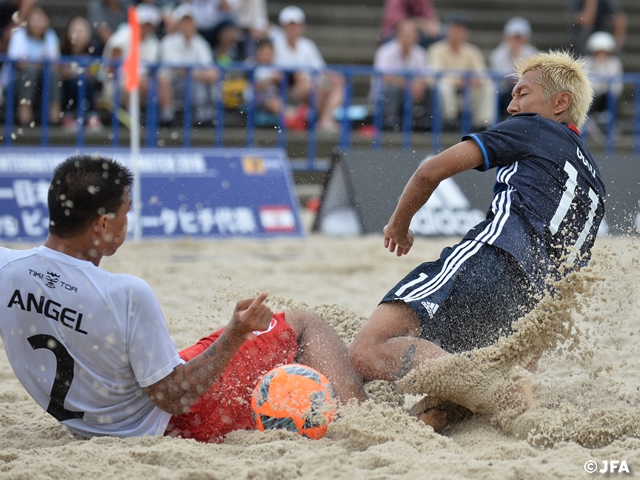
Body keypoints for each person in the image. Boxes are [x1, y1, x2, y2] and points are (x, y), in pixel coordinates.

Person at [0, 155, 366, 443]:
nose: (128, 223)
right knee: (304, 325)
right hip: (176, 422)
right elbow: (175, 397)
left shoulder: (7, 269)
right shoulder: (125, 293)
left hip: (89, 423)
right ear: (102, 224)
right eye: (126, 214)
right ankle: (365, 422)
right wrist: (235, 333)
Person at [348, 51, 605, 430]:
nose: (511, 104)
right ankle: (496, 394)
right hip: (535, 304)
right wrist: (528, 358)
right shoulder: (596, 183)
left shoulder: (534, 127)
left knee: (365, 349)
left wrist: (398, 226)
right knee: (441, 399)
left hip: (490, 263)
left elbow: (429, 172)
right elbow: (571, 275)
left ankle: (492, 389)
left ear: (560, 103)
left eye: (521, 93)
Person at [273, 5, 344, 134]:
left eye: (296, 25)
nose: (293, 28)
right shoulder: (275, 46)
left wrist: (333, 78)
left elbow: (321, 69)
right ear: (283, 26)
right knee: (311, 86)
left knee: (338, 84)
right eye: (290, 25)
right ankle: (325, 121)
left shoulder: (307, 45)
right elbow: (276, 74)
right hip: (288, 89)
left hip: (310, 86)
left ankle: (325, 120)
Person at [427, 13, 496, 131]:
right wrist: (458, 80)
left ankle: (482, 123)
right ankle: (449, 120)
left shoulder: (473, 51)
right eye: (454, 29)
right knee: (444, 86)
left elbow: (482, 74)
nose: (457, 32)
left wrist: (474, 80)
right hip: (446, 92)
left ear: (466, 33)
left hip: (467, 92)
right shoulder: (436, 50)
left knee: (488, 86)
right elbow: (434, 76)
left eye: (460, 30)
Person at [157, 4, 219, 125]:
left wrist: (200, 74)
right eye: (184, 22)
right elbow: (179, 70)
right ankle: (168, 115)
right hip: (174, 84)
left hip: (193, 82)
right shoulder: (168, 42)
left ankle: (205, 116)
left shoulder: (200, 43)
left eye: (190, 22)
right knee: (164, 77)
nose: (187, 26)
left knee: (210, 78)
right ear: (178, 24)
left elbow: (210, 70)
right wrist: (199, 74)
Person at [3, 6, 61, 126]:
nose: (38, 23)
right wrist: (40, 63)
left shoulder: (51, 36)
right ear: (27, 21)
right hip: (16, 81)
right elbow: (18, 64)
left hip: (42, 80)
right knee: (30, 71)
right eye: (34, 19)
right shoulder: (19, 34)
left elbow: (55, 65)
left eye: (41, 19)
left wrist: (35, 63)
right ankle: (24, 111)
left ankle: (54, 113)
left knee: (52, 73)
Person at [372, 19, 432, 131]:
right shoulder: (385, 51)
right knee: (393, 89)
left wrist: (419, 84)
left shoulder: (420, 53)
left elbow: (424, 76)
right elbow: (385, 77)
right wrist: (408, 84)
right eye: (406, 34)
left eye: (412, 34)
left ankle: (427, 120)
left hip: (411, 93)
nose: (409, 37)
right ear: (397, 35)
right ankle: (390, 120)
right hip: (387, 94)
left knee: (431, 89)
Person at [100, 3, 161, 112]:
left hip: (141, 83)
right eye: (144, 24)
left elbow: (150, 69)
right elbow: (111, 68)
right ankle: (131, 118)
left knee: (159, 82)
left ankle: (165, 117)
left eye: (149, 24)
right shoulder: (124, 35)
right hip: (116, 83)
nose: (147, 28)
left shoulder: (153, 42)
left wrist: (144, 80)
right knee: (131, 84)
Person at [59, 16, 103, 131]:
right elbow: (59, 71)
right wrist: (74, 71)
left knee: (83, 81)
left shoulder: (95, 49)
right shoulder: (62, 48)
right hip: (67, 87)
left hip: (88, 85)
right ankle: (68, 115)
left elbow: (95, 71)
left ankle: (92, 115)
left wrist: (82, 71)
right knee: (75, 81)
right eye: (75, 30)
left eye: (82, 31)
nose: (79, 35)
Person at [490, 17, 537, 120]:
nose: (517, 41)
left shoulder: (533, 53)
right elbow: (501, 76)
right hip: (503, 92)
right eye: (514, 37)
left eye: (519, 37)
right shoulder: (498, 54)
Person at [584, 30, 623, 128]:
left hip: (608, 97)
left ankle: (611, 126)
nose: (601, 55)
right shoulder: (586, 62)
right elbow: (586, 85)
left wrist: (603, 87)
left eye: (604, 52)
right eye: (599, 52)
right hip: (591, 97)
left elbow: (617, 87)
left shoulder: (615, 63)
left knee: (613, 101)